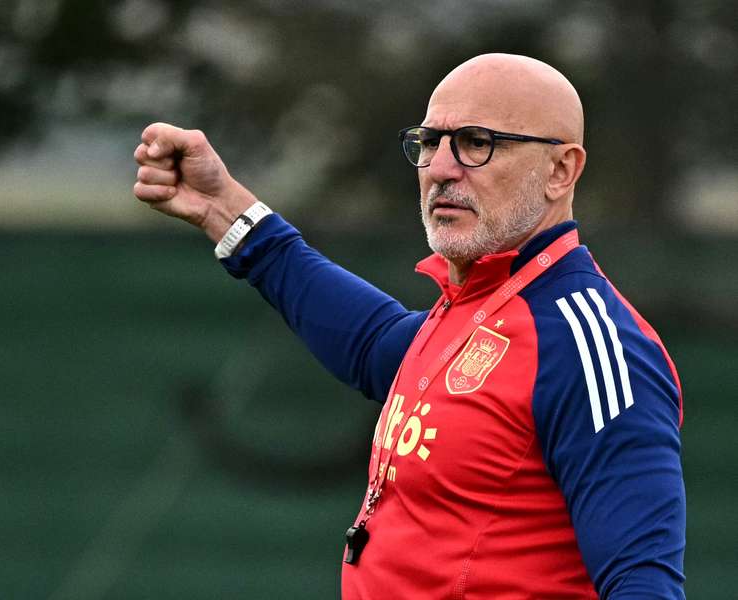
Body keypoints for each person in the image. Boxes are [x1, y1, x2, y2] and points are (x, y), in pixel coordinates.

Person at [132, 53, 685, 599]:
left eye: (476, 142)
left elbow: (643, 580)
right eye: (429, 143)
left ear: (560, 170)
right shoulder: (476, 305)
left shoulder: (591, 344)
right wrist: (224, 208)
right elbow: (373, 342)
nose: (441, 169)